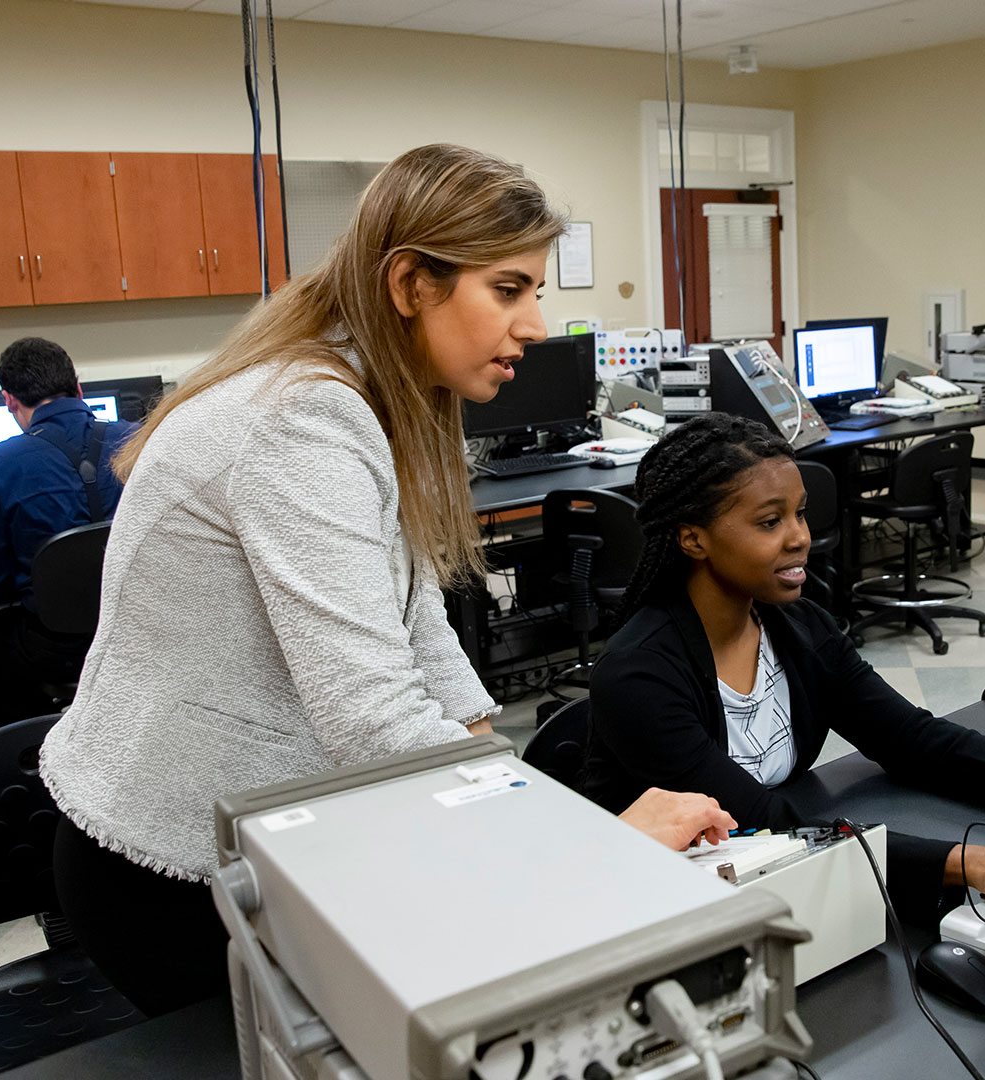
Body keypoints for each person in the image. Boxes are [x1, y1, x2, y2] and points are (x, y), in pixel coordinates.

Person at [38, 145, 732, 1017]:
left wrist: (502, 789)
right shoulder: (303, 419)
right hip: (172, 875)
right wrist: (583, 847)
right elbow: (369, 715)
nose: (537, 326)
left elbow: (418, 633)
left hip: (277, 830)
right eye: (508, 290)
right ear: (410, 284)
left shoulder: (369, 399)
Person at [580, 412, 985, 925]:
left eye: (799, 513)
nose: (800, 537)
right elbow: (760, 818)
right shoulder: (640, 675)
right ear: (692, 539)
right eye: (769, 521)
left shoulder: (798, 626)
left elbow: (908, 736)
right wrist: (969, 864)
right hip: (669, 908)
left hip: (777, 881)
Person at [0, 337, 137, 720]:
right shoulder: (139, 440)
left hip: (59, 650)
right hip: (142, 632)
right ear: (79, 389)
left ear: (8, 400)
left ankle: (17, 755)